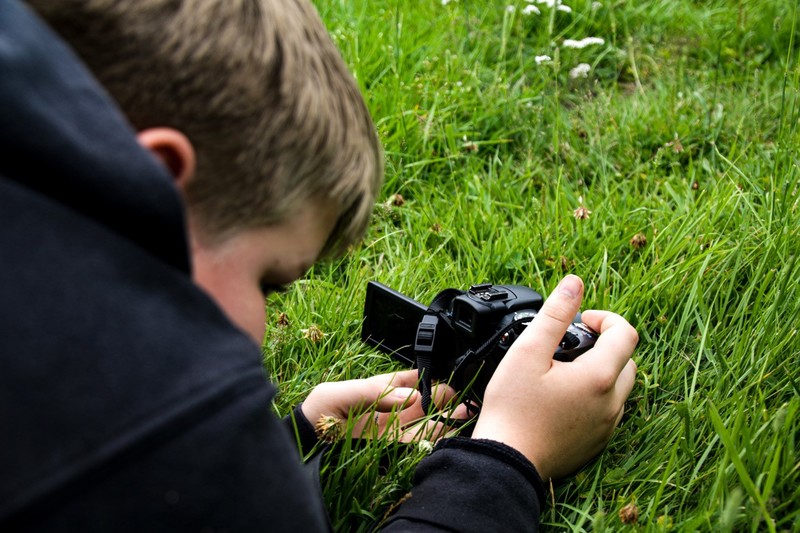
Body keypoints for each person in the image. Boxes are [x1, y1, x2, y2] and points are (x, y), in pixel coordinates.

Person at [0, 0, 638, 531]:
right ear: (158, 186)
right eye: (267, 281)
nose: (262, 329)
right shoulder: (164, 414)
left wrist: (295, 437)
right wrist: (506, 458)